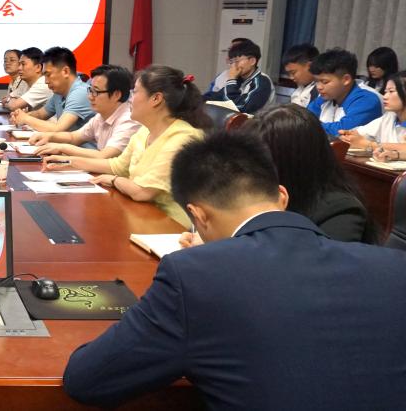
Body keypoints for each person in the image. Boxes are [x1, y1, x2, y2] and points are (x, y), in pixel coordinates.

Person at [64, 131, 406, 410]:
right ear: (282, 196)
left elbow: (87, 380)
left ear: (198, 216)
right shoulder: (393, 267)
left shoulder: (195, 276)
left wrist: (207, 261)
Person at [45, 65, 209, 228]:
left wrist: (115, 180)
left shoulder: (183, 138)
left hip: (169, 226)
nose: (130, 98)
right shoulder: (145, 131)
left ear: (156, 99)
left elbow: (142, 192)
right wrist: (68, 162)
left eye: (135, 92)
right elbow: (116, 166)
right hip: (139, 213)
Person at [241, 104, 377, 243]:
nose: (249, 167)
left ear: (292, 161)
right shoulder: (255, 191)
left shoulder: (340, 211)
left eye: (259, 158)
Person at [30, 64, 141, 159]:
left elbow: (104, 156)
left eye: (96, 91)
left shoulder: (128, 120)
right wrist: (49, 137)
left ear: (116, 95)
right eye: (90, 90)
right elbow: (74, 137)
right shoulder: (101, 116)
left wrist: (62, 148)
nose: (90, 97)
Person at [10, 46, 93, 132]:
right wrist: (20, 115)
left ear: (65, 71)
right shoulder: (59, 92)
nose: (46, 81)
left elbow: (58, 128)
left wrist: (26, 119)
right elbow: (40, 114)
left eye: (48, 75)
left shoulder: (80, 93)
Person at [307, 48, 382, 135]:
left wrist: (312, 126)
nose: (318, 87)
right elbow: (305, 118)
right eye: (316, 81)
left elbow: (342, 131)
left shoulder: (368, 100)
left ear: (346, 79)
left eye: (324, 82)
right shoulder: (327, 96)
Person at [340, 70, 406, 157]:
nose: (385, 97)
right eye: (385, 92)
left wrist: (368, 144)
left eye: (391, 91)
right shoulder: (389, 117)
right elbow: (361, 134)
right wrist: (349, 136)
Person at [203, 39, 273, 113]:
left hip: (257, 120)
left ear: (252, 61)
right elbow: (217, 96)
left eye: (237, 61)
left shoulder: (262, 81)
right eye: (231, 61)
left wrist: (231, 79)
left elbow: (240, 107)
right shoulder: (240, 79)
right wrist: (198, 100)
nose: (233, 66)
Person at [3, 47, 52, 112]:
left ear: (38, 67)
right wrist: (11, 101)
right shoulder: (26, 83)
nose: (19, 68)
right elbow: (6, 99)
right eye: (19, 64)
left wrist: (9, 101)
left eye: (23, 64)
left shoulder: (43, 84)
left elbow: (14, 106)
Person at [282, 43, 319, 107]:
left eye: (293, 72)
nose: (291, 77)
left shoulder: (320, 92)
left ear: (310, 66)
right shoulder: (300, 88)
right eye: (288, 74)